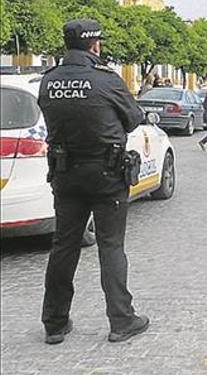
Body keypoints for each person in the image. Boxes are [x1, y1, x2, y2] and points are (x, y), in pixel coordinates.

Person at [37, 19, 150, 345]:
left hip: (65, 172)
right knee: (111, 246)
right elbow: (133, 118)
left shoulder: (49, 81)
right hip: (107, 174)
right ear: (95, 45)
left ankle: (54, 323)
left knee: (63, 247)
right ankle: (121, 320)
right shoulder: (106, 80)